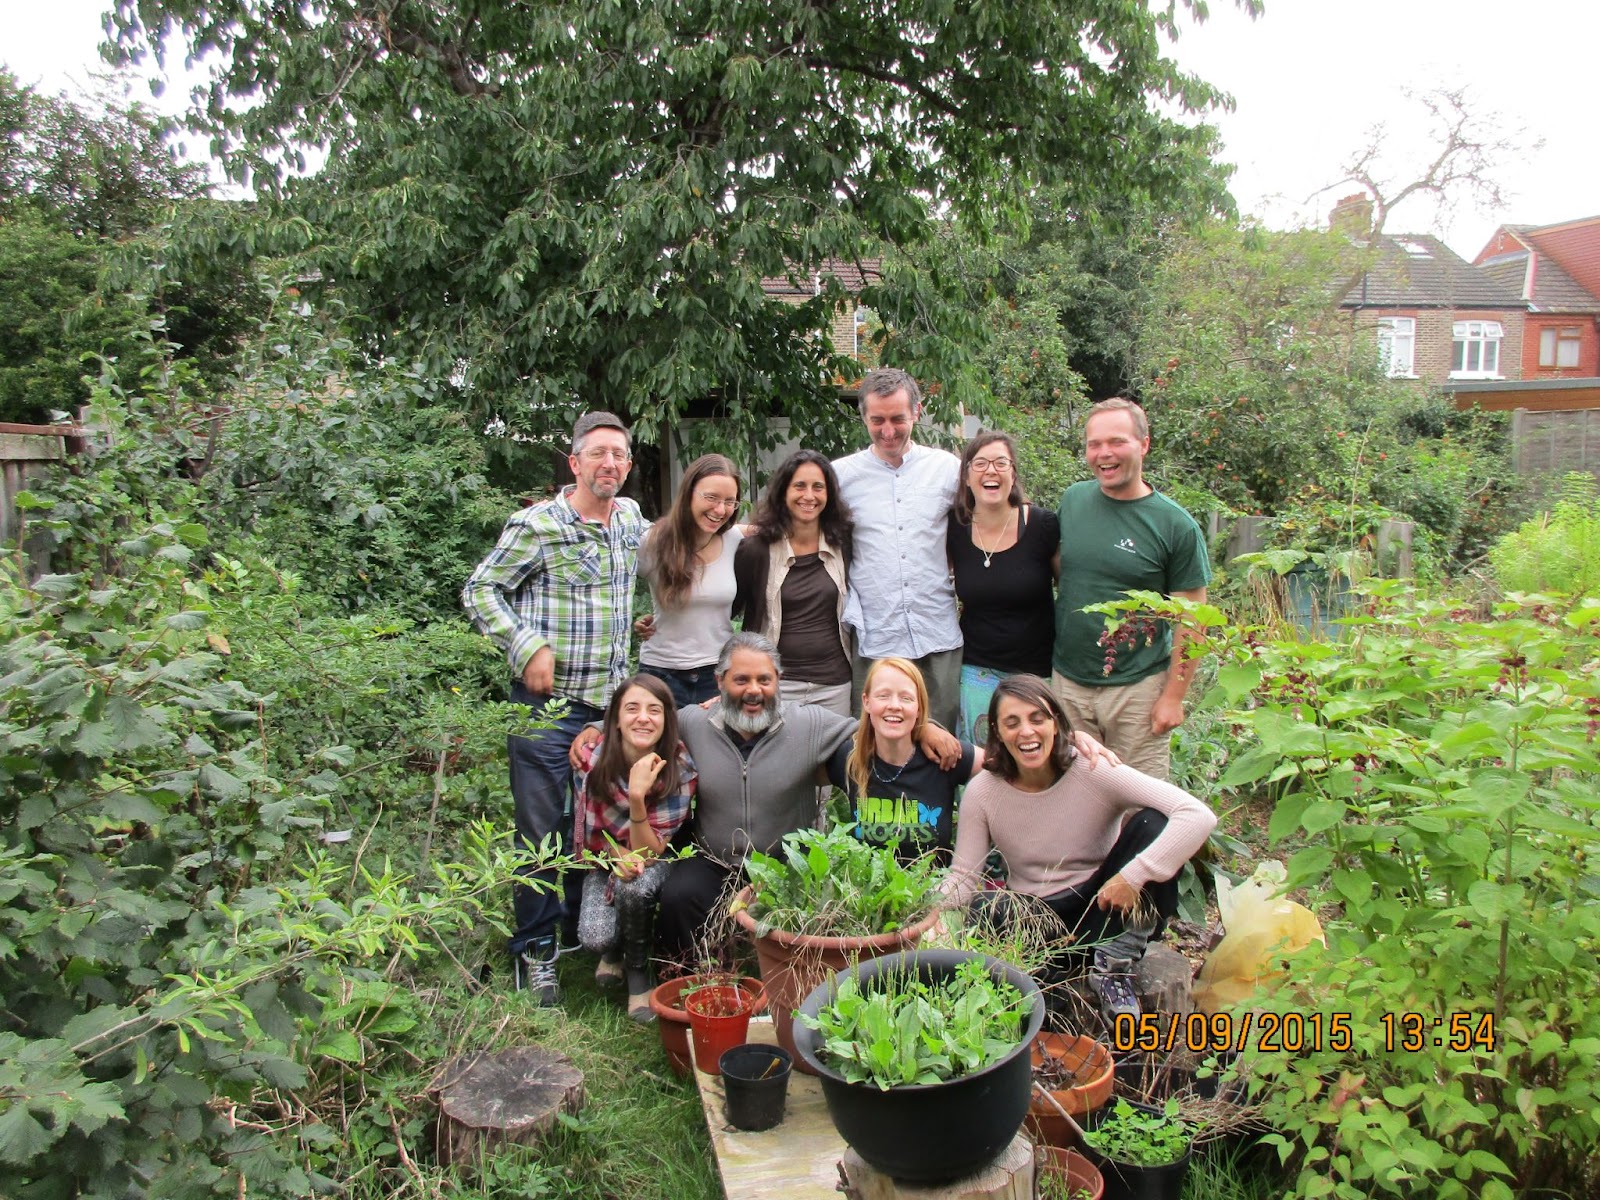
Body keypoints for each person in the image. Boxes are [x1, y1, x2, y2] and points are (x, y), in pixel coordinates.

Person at [461, 411, 647, 1003]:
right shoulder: (538, 525)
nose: (609, 464)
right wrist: (526, 645)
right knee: (539, 829)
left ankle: (575, 932)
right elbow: (480, 589)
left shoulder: (632, 520)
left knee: (589, 825)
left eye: (618, 454)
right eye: (597, 454)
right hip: (545, 708)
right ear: (575, 463)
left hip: (608, 709)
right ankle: (535, 952)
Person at [651, 632, 962, 968]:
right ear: (720, 682)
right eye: (741, 679)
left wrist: (925, 727)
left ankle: (788, 986)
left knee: (811, 912)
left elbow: (876, 724)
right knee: (679, 896)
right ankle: (694, 980)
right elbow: (638, 724)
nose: (753, 690)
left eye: (764, 679)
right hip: (714, 858)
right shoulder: (693, 723)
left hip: (786, 863)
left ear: (779, 681)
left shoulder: (807, 724)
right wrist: (595, 729)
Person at [946, 675, 1216, 1022]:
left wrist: (1133, 876)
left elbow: (1197, 815)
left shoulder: (1092, 769)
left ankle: (1116, 966)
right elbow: (963, 878)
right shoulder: (983, 791)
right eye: (1011, 723)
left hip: (1105, 908)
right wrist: (922, 913)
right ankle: (1044, 994)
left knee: (1153, 824)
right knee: (985, 906)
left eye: (1037, 718)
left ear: (1056, 723)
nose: (1026, 732)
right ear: (996, 733)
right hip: (1036, 921)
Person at [1053, 398, 1211, 780]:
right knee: (1075, 798)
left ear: (1144, 444)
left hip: (1137, 689)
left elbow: (1193, 621)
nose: (1104, 454)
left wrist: (1173, 698)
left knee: (1141, 804)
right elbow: (1065, 573)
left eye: (1117, 442)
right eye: (1094, 444)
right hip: (1068, 683)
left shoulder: (1175, 526)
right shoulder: (1074, 500)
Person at [833, 368, 962, 731]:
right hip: (875, 634)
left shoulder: (947, 470)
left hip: (936, 631)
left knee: (942, 739)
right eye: (877, 420)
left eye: (897, 419)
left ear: (917, 412)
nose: (888, 430)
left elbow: (987, 517)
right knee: (876, 744)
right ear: (863, 417)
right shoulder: (841, 477)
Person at [572, 674, 696, 1021]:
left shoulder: (681, 767)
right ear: (614, 720)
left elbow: (651, 852)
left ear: (667, 720)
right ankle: (612, 949)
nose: (643, 718)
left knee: (636, 886)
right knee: (595, 938)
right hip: (603, 858)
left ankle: (638, 967)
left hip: (655, 857)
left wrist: (638, 797)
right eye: (632, 709)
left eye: (654, 710)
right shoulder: (588, 759)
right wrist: (615, 856)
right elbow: (587, 835)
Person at [947, 431, 1060, 745]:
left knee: (1033, 759)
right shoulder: (955, 529)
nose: (991, 471)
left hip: (1036, 673)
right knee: (983, 762)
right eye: (980, 464)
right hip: (976, 671)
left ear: (1013, 474)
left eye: (1000, 463)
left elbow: (1070, 591)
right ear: (967, 477)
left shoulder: (1043, 525)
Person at [732, 450, 855, 716]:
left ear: (829, 494)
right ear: (783, 492)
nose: (808, 496)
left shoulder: (843, 544)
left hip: (834, 685)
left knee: (837, 757)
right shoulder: (756, 550)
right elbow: (725, 609)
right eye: (799, 485)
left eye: (818, 487)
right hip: (776, 684)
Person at [823, 657, 978, 863]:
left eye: (906, 698)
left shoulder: (942, 754)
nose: (894, 705)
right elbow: (793, 772)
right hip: (868, 891)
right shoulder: (849, 757)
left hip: (937, 891)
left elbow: (1005, 768)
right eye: (883, 695)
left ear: (919, 708)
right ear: (866, 702)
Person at [636, 454, 744, 707]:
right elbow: (615, 588)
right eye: (711, 497)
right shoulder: (653, 542)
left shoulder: (735, 540)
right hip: (660, 673)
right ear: (688, 493)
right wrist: (636, 620)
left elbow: (778, 530)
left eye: (730, 501)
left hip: (717, 673)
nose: (720, 510)